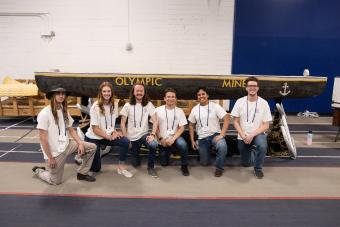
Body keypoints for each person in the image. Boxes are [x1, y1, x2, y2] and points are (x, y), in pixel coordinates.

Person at [32, 86, 96, 185]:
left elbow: (71, 130)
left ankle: (82, 173)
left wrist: (80, 143)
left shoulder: (64, 110)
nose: (61, 96)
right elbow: (43, 139)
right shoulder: (44, 114)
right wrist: (50, 157)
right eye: (58, 93)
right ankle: (39, 171)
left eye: (63, 93)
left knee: (92, 147)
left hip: (67, 145)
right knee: (55, 181)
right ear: (53, 96)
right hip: (55, 153)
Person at [84, 81, 133, 177]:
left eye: (109, 91)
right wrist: (108, 137)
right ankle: (84, 157)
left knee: (125, 141)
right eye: (104, 91)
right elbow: (95, 129)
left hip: (107, 135)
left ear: (111, 92)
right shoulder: (95, 107)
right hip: (94, 138)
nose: (107, 93)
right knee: (96, 169)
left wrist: (114, 131)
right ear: (101, 93)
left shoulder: (114, 104)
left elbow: (111, 124)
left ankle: (121, 167)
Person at [231, 76, 272, 179]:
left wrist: (252, 135)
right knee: (245, 164)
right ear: (246, 88)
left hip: (257, 134)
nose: (252, 88)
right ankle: (253, 152)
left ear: (258, 88)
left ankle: (258, 168)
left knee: (262, 146)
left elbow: (266, 125)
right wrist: (243, 135)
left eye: (254, 86)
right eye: (250, 86)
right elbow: (235, 121)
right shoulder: (239, 102)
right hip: (243, 135)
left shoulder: (264, 103)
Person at [188, 87, 230, 177]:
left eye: (203, 94)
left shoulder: (215, 106)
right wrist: (192, 141)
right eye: (199, 95)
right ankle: (205, 148)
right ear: (197, 97)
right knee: (204, 163)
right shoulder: (195, 109)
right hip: (202, 137)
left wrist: (222, 134)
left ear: (207, 95)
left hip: (215, 135)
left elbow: (226, 117)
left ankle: (219, 168)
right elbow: (191, 125)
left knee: (222, 146)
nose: (201, 96)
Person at [120, 83, 159, 178]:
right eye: (137, 91)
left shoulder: (149, 104)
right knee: (135, 163)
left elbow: (155, 121)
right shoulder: (127, 105)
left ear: (144, 92)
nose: (139, 93)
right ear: (133, 92)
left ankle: (151, 168)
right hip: (132, 138)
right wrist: (126, 139)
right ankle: (136, 153)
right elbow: (122, 123)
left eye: (141, 91)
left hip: (143, 135)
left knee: (153, 144)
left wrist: (153, 134)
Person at [155, 88, 190, 176]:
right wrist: (161, 139)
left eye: (173, 97)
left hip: (175, 138)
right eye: (168, 97)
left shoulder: (179, 111)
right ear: (164, 98)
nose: (170, 99)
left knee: (183, 145)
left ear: (176, 98)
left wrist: (173, 139)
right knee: (164, 164)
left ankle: (184, 166)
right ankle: (169, 150)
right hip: (162, 139)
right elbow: (155, 127)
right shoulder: (157, 110)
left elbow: (182, 128)